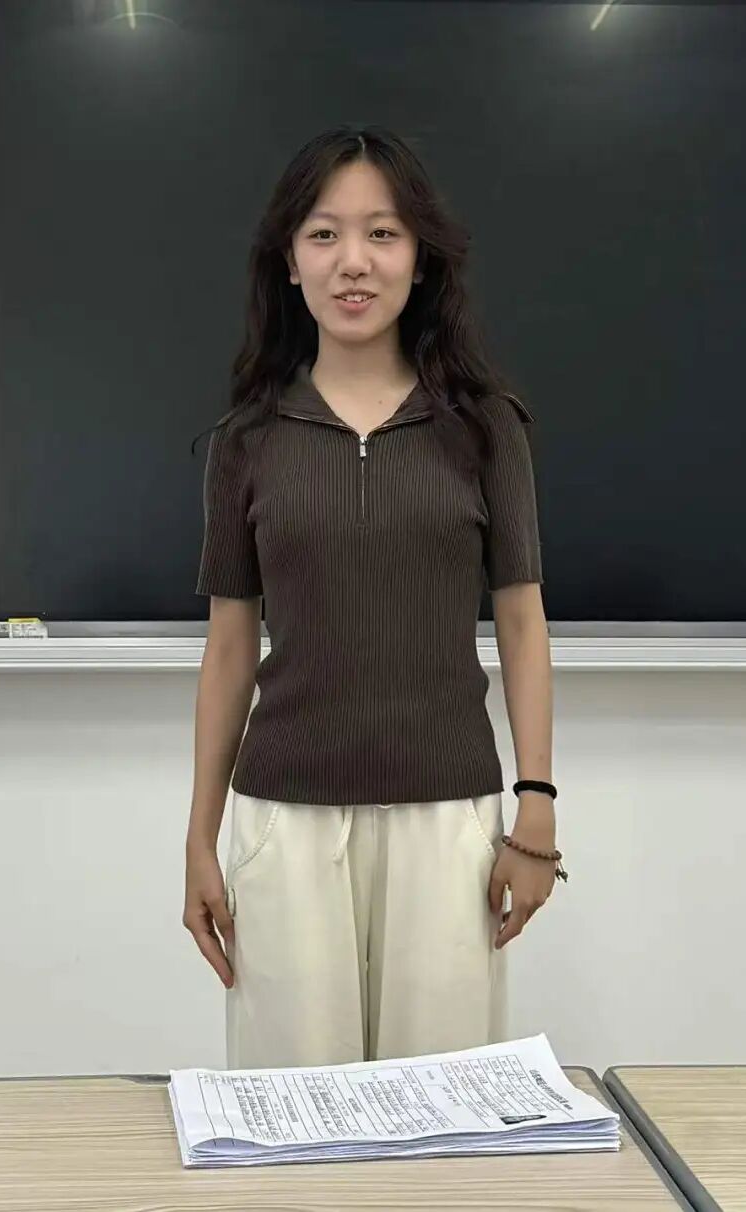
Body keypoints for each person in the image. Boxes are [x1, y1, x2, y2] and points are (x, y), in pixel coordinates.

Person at [184, 125, 559, 1070]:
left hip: (450, 816)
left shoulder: (485, 428)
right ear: (290, 260)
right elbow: (229, 648)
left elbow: (522, 623)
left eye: (382, 233)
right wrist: (199, 840)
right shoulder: (247, 440)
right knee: (293, 1110)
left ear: (421, 258)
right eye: (324, 234)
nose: (353, 261)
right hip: (284, 816)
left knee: (441, 1106)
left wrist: (536, 807)